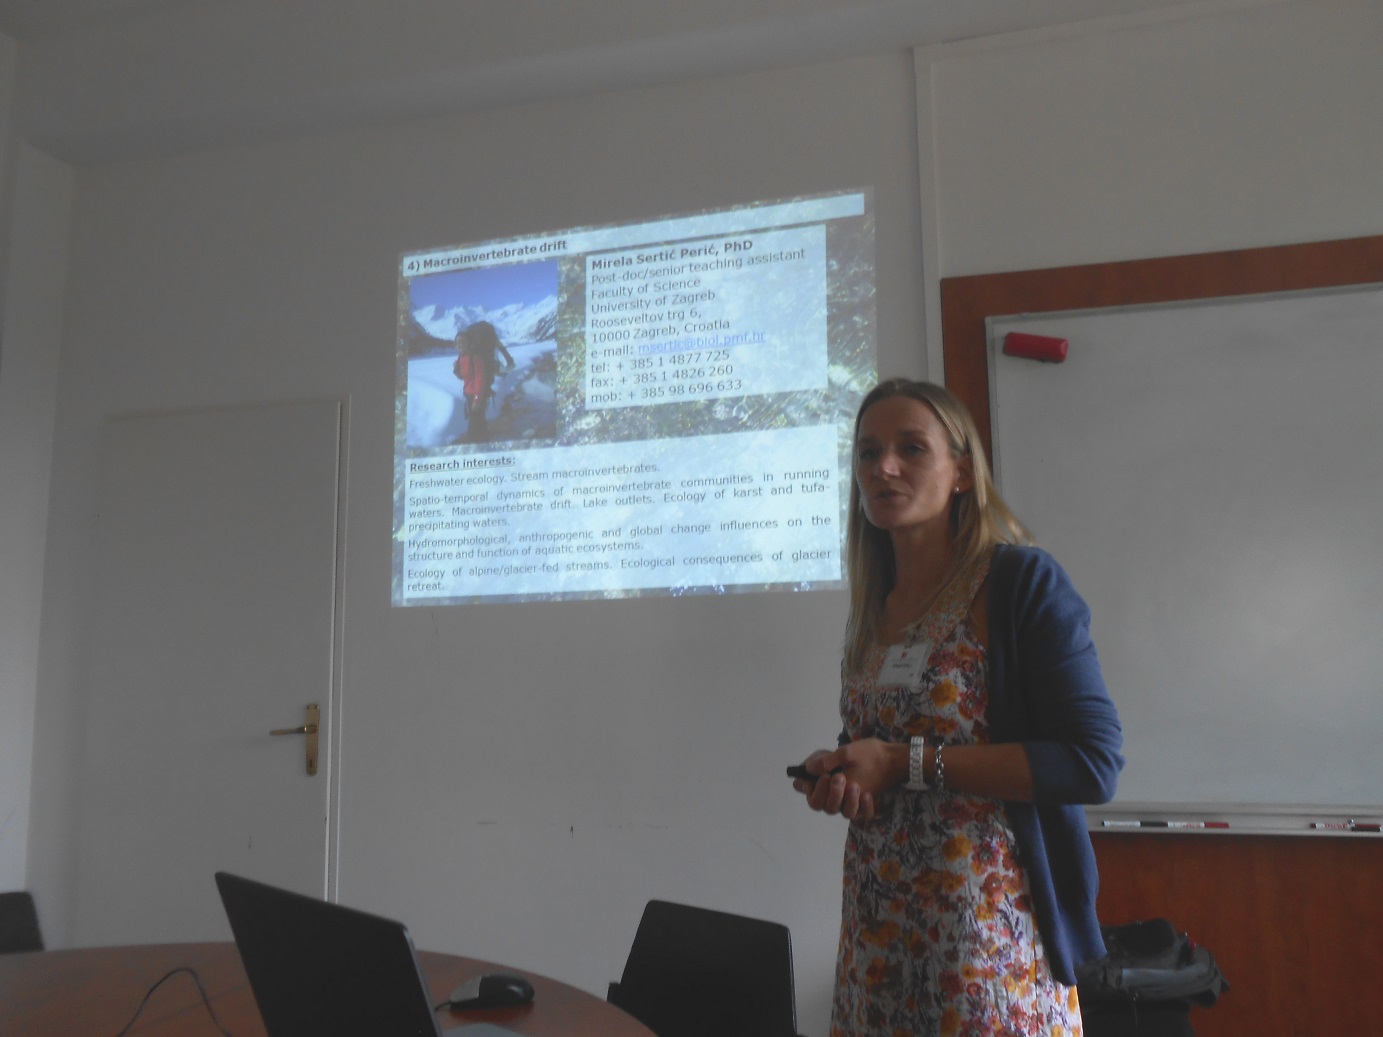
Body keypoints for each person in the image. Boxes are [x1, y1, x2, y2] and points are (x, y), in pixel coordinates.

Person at [794, 378, 1123, 1037]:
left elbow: (1091, 763)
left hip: (984, 934)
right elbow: (882, 748)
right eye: (867, 452)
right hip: (878, 932)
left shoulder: (1019, 582)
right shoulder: (876, 605)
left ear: (963, 472)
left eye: (911, 448)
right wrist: (844, 773)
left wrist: (902, 762)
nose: (883, 467)